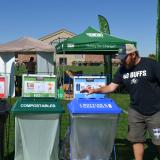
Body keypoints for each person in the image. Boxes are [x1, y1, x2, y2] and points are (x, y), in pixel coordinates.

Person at [81, 44, 160, 160]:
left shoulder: (151, 64)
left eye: (124, 58)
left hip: (156, 111)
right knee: (136, 139)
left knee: (158, 141)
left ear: (133, 55)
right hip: (136, 111)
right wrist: (94, 90)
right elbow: (111, 87)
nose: (121, 61)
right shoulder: (122, 70)